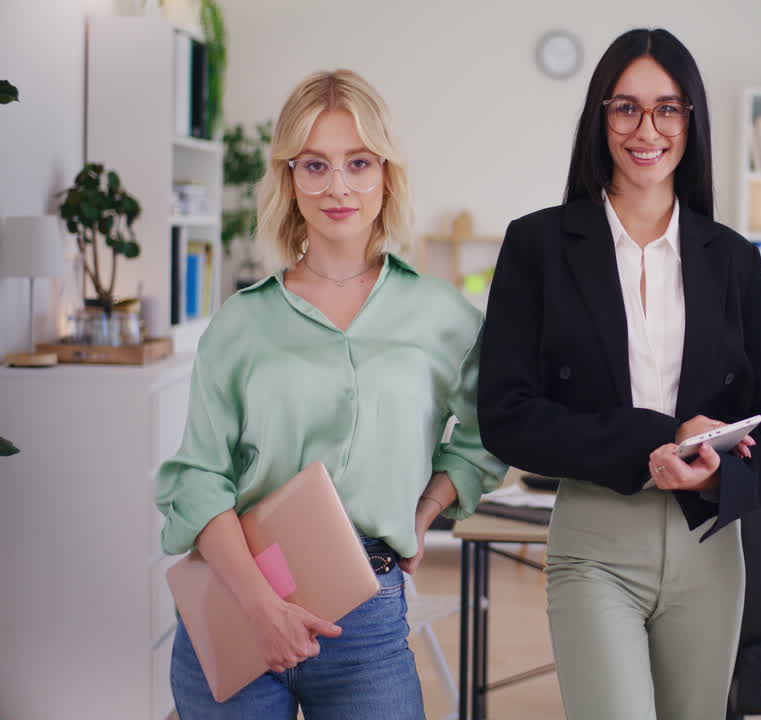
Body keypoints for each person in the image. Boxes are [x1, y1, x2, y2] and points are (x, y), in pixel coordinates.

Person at [154, 69, 505, 718]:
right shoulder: (241, 322)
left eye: (358, 163)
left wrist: (424, 512)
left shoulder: (444, 317)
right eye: (314, 165)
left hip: (366, 614)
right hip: (237, 600)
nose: (337, 186)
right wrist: (262, 607)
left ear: (386, 175)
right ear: (288, 178)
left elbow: (489, 436)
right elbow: (198, 477)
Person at [476, 28, 761, 720]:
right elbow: (506, 414)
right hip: (595, 543)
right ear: (600, 117)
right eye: (624, 108)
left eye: (667, 108)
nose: (645, 129)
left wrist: (715, 472)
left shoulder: (735, 262)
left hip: (709, 550)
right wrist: (662, 437)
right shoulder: (537, 245)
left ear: (692, 121)